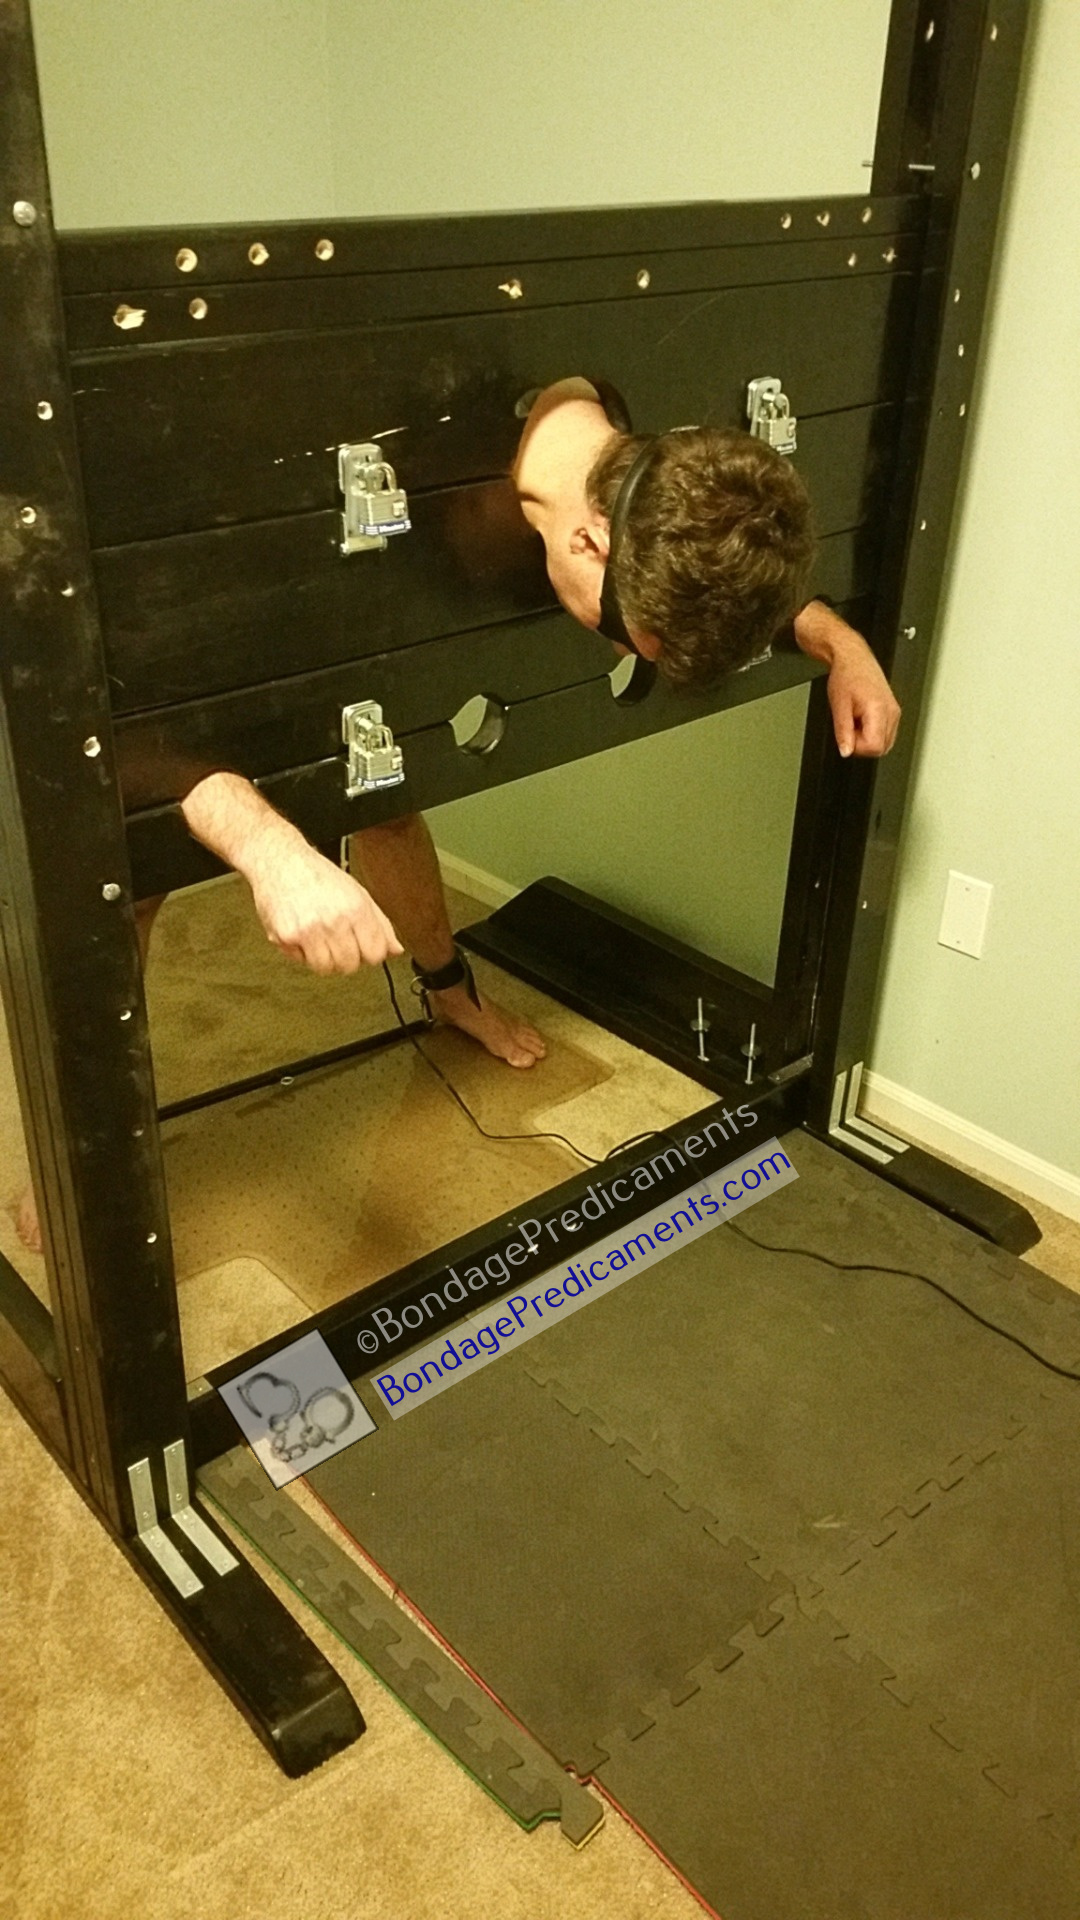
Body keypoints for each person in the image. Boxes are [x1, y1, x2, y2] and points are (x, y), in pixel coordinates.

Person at [14, 376, 901, 1249]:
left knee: (386, 799)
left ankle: (449, 993)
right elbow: (121, 727)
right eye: (620, 632)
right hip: (204, 605)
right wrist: (271, 847)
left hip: (369, 624)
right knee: (134, 875)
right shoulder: (394, 418)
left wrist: (839, 641)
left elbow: (716, 567)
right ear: (591, 543)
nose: (614, 653)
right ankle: (74, 1152)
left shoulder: (646, 474)